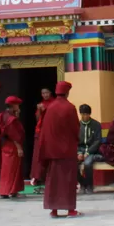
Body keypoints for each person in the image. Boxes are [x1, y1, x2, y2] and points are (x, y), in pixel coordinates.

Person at [38, 80, 80, 218]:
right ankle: (70, 210)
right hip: (67, 150)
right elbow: (75, 129)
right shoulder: (70, 107)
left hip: (53, 151)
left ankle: (54, 210)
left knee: (54, 181)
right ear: (67, 92)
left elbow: (45, 130)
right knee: (68, 181)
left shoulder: (50, 107)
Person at [0, 96, 25, 199]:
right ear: (13, 105)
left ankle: (5, 191)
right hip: (12, 146)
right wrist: (19, 148)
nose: (19, 107)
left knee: (6, 169)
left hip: (5, 145)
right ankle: (11, 190)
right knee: (13, 170)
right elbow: (14, 135)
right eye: (17, 105)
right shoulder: (12, 119)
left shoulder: (2, 115)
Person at [30, 87, 54, 187]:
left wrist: (46, 110)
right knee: (38, 154)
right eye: (43, 93)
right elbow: (37, 119)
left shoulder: (54, 103)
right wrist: (40, 111)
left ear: (50, 92)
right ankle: (38, 177)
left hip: (51, 132)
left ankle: (51, 177)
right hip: (40, 132)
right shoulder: (41, 104)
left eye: (46, 93)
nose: (45, 95)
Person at [76, 104, 102, 193]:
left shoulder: (96, 125)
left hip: (92, 151)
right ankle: (83, 183)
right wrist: (79, 152)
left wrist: (88, 152)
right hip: (80, 150)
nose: (85, 116)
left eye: (86, 114)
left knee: (87, 163)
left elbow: (97, 141)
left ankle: (90, 186)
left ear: (89, 114)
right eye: (83, 114)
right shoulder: (77, 125)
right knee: (71, 164)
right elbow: (74, 141)